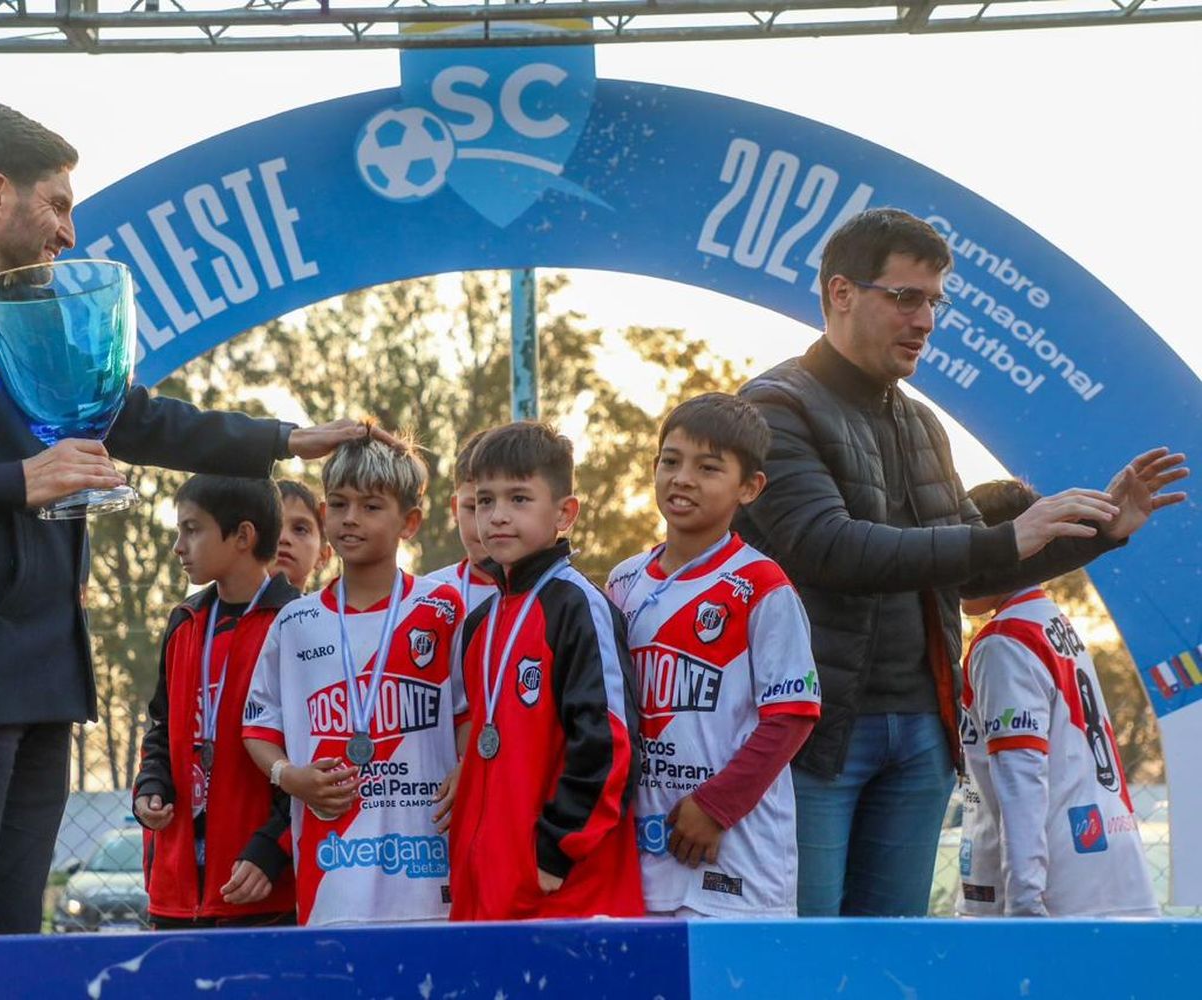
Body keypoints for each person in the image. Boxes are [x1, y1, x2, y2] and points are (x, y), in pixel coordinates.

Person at [0, 102, 390, 938]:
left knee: (11, 943)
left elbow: (128, 416)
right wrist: (14, 481)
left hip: (44, 671)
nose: (69, 232)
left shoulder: (37, 299)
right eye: (58, 204)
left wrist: (284, 439)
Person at [733, 207, 1188, 916]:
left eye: (935, 302)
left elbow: (971, 573)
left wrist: (1102, 531)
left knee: (896, 966)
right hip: (812, 734)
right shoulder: (773, 407)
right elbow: (830, 547)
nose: (925, 320)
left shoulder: (920, 423)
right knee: (808, 959)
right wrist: (1009, 536)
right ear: (840, 293)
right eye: (906, 297)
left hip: (920, 735)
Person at [607, 394, 819, 918]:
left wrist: (715, 806)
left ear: (749, 487)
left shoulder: (762, 585)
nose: (682, 479)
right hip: (643, 851)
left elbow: (792, 716)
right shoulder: (622, 581)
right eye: (670, 461)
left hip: (735, 856)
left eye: (708, 468)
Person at [242, 436, 465, 925]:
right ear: (324, 513)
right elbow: (258, 728)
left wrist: (466, 766)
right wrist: (290, 777)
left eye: (371, 506)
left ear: (409, 522)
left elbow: (469, 714)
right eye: (339, 504)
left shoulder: (444, 609)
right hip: (332, 876)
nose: (350, 518)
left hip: (427, 871)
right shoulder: (294, 622)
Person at [448, 421, 644, 920]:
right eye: (484, 501)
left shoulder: (578, 606)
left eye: (518, 499)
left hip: (564, 890)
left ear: (564, 512)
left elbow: (608, 744)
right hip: (488, 892)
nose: (497, 516)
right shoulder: (481, 622)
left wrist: (557, 849)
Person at [956, 479, 1159, 918]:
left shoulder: (1004, 640)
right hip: (1105, 857)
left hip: (1053, 887)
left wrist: (1025, 901)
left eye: (969, 542)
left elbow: (1021, 776)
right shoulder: (1051, 621)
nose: (956, 560)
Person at [132, 474, 299, 928]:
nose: (178, 546)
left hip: (260, 889)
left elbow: (312, 753)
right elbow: (162, 728)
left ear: (243, 536)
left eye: (192, 529)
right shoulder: (185, 623)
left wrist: (272, 850)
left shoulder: (297, 624)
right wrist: (152, 786)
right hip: (177, 896)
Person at [425, 430, 499, 620]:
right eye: (473, 507)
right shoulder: (427, 595)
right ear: (455, 508)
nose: (487, 522)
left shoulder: (551, 596)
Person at [271, 479, 332, 592]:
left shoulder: (332, 609)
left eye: (300, 529)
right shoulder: (229, 608)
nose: (283, 538)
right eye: (272, 527)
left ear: (323, 555)